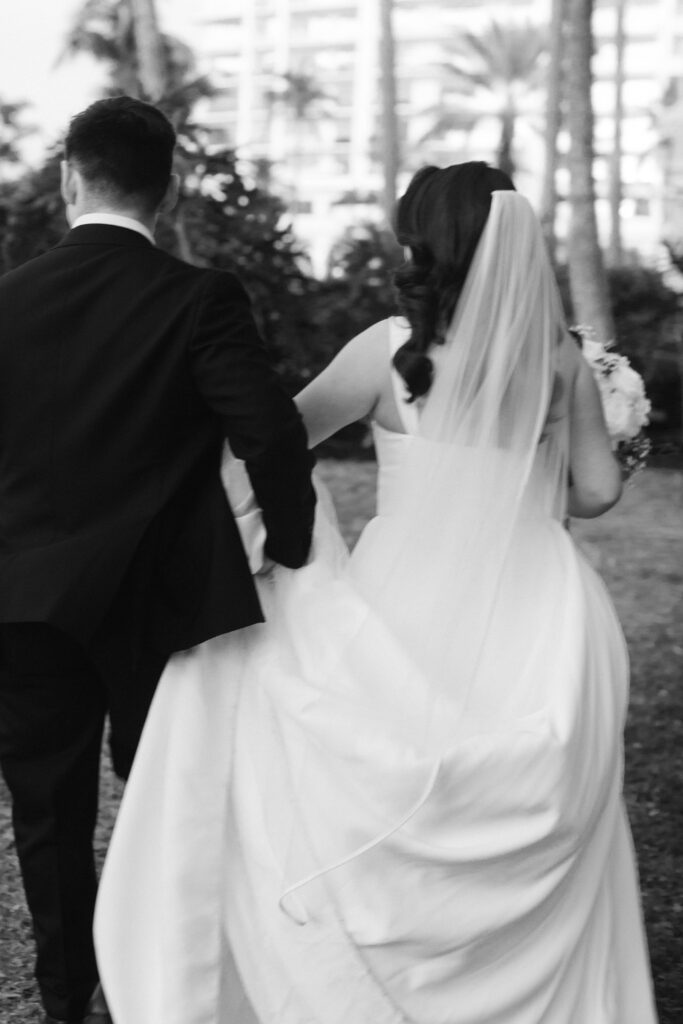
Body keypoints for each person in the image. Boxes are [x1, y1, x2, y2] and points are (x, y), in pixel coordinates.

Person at [94, 163, 658, 1024]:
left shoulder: (385, 352)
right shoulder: (560, 360)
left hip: (406, 589)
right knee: (537, 789)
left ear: (424, 245)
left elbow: (281, 439)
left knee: (377, 762)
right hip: (538, 602)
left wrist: (258, 532)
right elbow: (595, 493)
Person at [0, 96, 316, 1024]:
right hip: (159, 604)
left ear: (68, 178)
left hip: (23, 600)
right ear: (167, 187)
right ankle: (164, 988)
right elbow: (269, 432)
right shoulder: (198, 298)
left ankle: (67, 1003)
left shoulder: (2, 304)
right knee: (167, 803)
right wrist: (290, 547)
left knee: (48, 815)